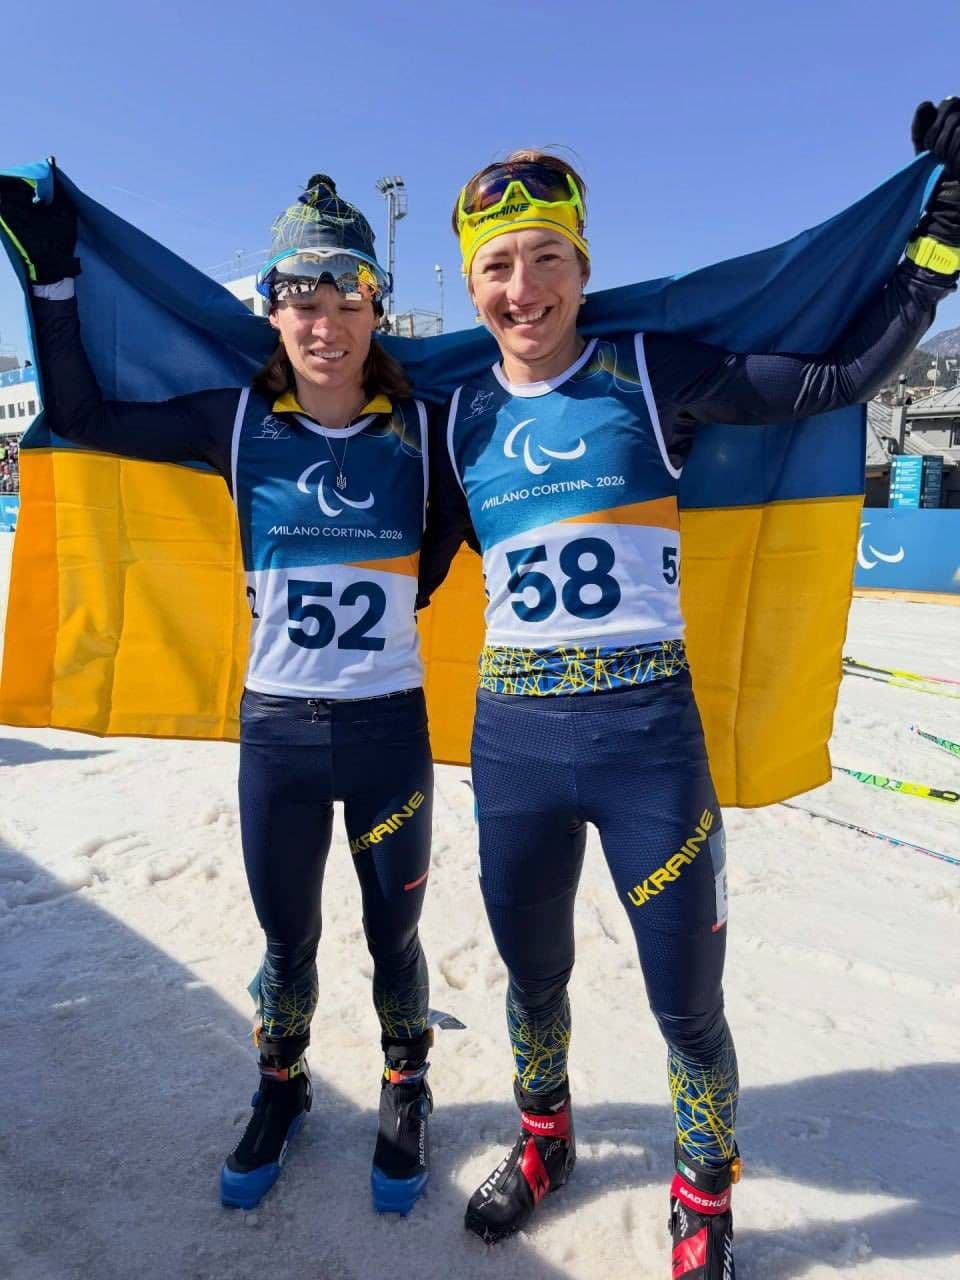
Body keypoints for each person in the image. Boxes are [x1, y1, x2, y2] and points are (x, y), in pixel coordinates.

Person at [417, 100, 960, 1275]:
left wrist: (940, 235)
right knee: (533, 972)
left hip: (646, 743)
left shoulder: (650, 372)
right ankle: (546, 1136)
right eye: (497, 268)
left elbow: (834, 374)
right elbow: (350, 487)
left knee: (685, 1000)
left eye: (547, 258)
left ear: (583, 267)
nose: (524, 288)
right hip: (512, 741)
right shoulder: (452, 415)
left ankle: (703, 1197)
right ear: (473, 289)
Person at [0, 172, 438, 1214]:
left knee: (394, 934)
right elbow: (81, 412)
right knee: (287, 937)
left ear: (376, 303)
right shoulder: (237, 421)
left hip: (387, 731)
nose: (324, 319)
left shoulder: (428, 420)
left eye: (346, 294)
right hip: (281, 729)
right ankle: (281, 1089)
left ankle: (405, 1084)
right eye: (301, 294)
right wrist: (52, 275)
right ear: (273, 307)